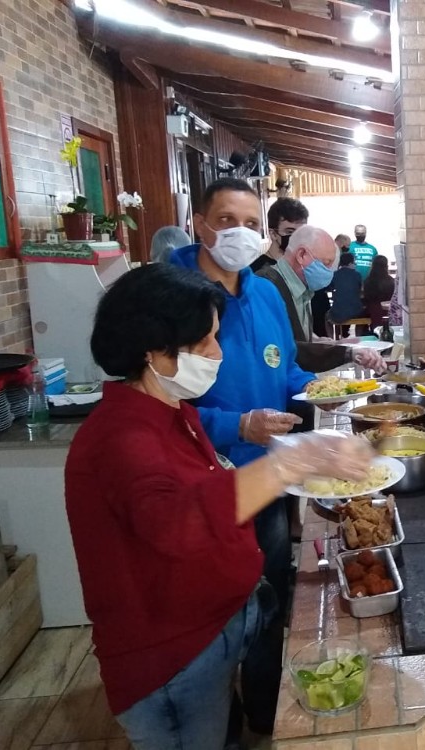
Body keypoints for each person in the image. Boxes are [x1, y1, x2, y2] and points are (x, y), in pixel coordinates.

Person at [66, 263, 372, 749]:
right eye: (204, 342)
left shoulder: (170, 411)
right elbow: (177, 523)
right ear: (153, 351)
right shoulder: (121, 438)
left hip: (214, 626)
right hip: (172, 657)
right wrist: (291, 466)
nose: (217, 353)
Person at [168, 178, 318, 737]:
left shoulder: (263, 292)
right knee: (212, 612)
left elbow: (285, 372)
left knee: (269, 596)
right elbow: (159, 407)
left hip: (265, 476)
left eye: (250, 223)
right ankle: (212, 721)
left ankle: (262, 711)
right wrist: (238, 425)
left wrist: (331, 384)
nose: (239, 233)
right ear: (200, 224)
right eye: (226, 220)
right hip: (202, 485)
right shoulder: (176, 298)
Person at [257, 225, 386, 374]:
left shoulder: (303, 289)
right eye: (326, 263)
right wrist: (347, 353)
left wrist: (319, 341)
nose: (330, 272)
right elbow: (278, 349)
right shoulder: (266, 288)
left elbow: (295, 333)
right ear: (302, 255)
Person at [250, 197, 309, 274]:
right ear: (273, 233)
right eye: (290, 232)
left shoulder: (304, 267)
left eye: (302, 231)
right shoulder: (256, 272)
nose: (298, 236)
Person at [328, 252, 366, 334]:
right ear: (350, 263)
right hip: (357, 310)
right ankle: (359, 336)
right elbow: (361, 291)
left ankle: (334, 339)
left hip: (338, 311)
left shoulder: (335, 275)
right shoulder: (357, 275)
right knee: (362, 317)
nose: (355, 264)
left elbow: (329, 288)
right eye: (354, 262)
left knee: (327, 317)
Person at [363, 254, 395, 329]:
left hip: (372, 311)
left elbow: (366, 297)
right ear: (386, 266)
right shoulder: (390, 281)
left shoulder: (368, 280)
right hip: (387, 311)